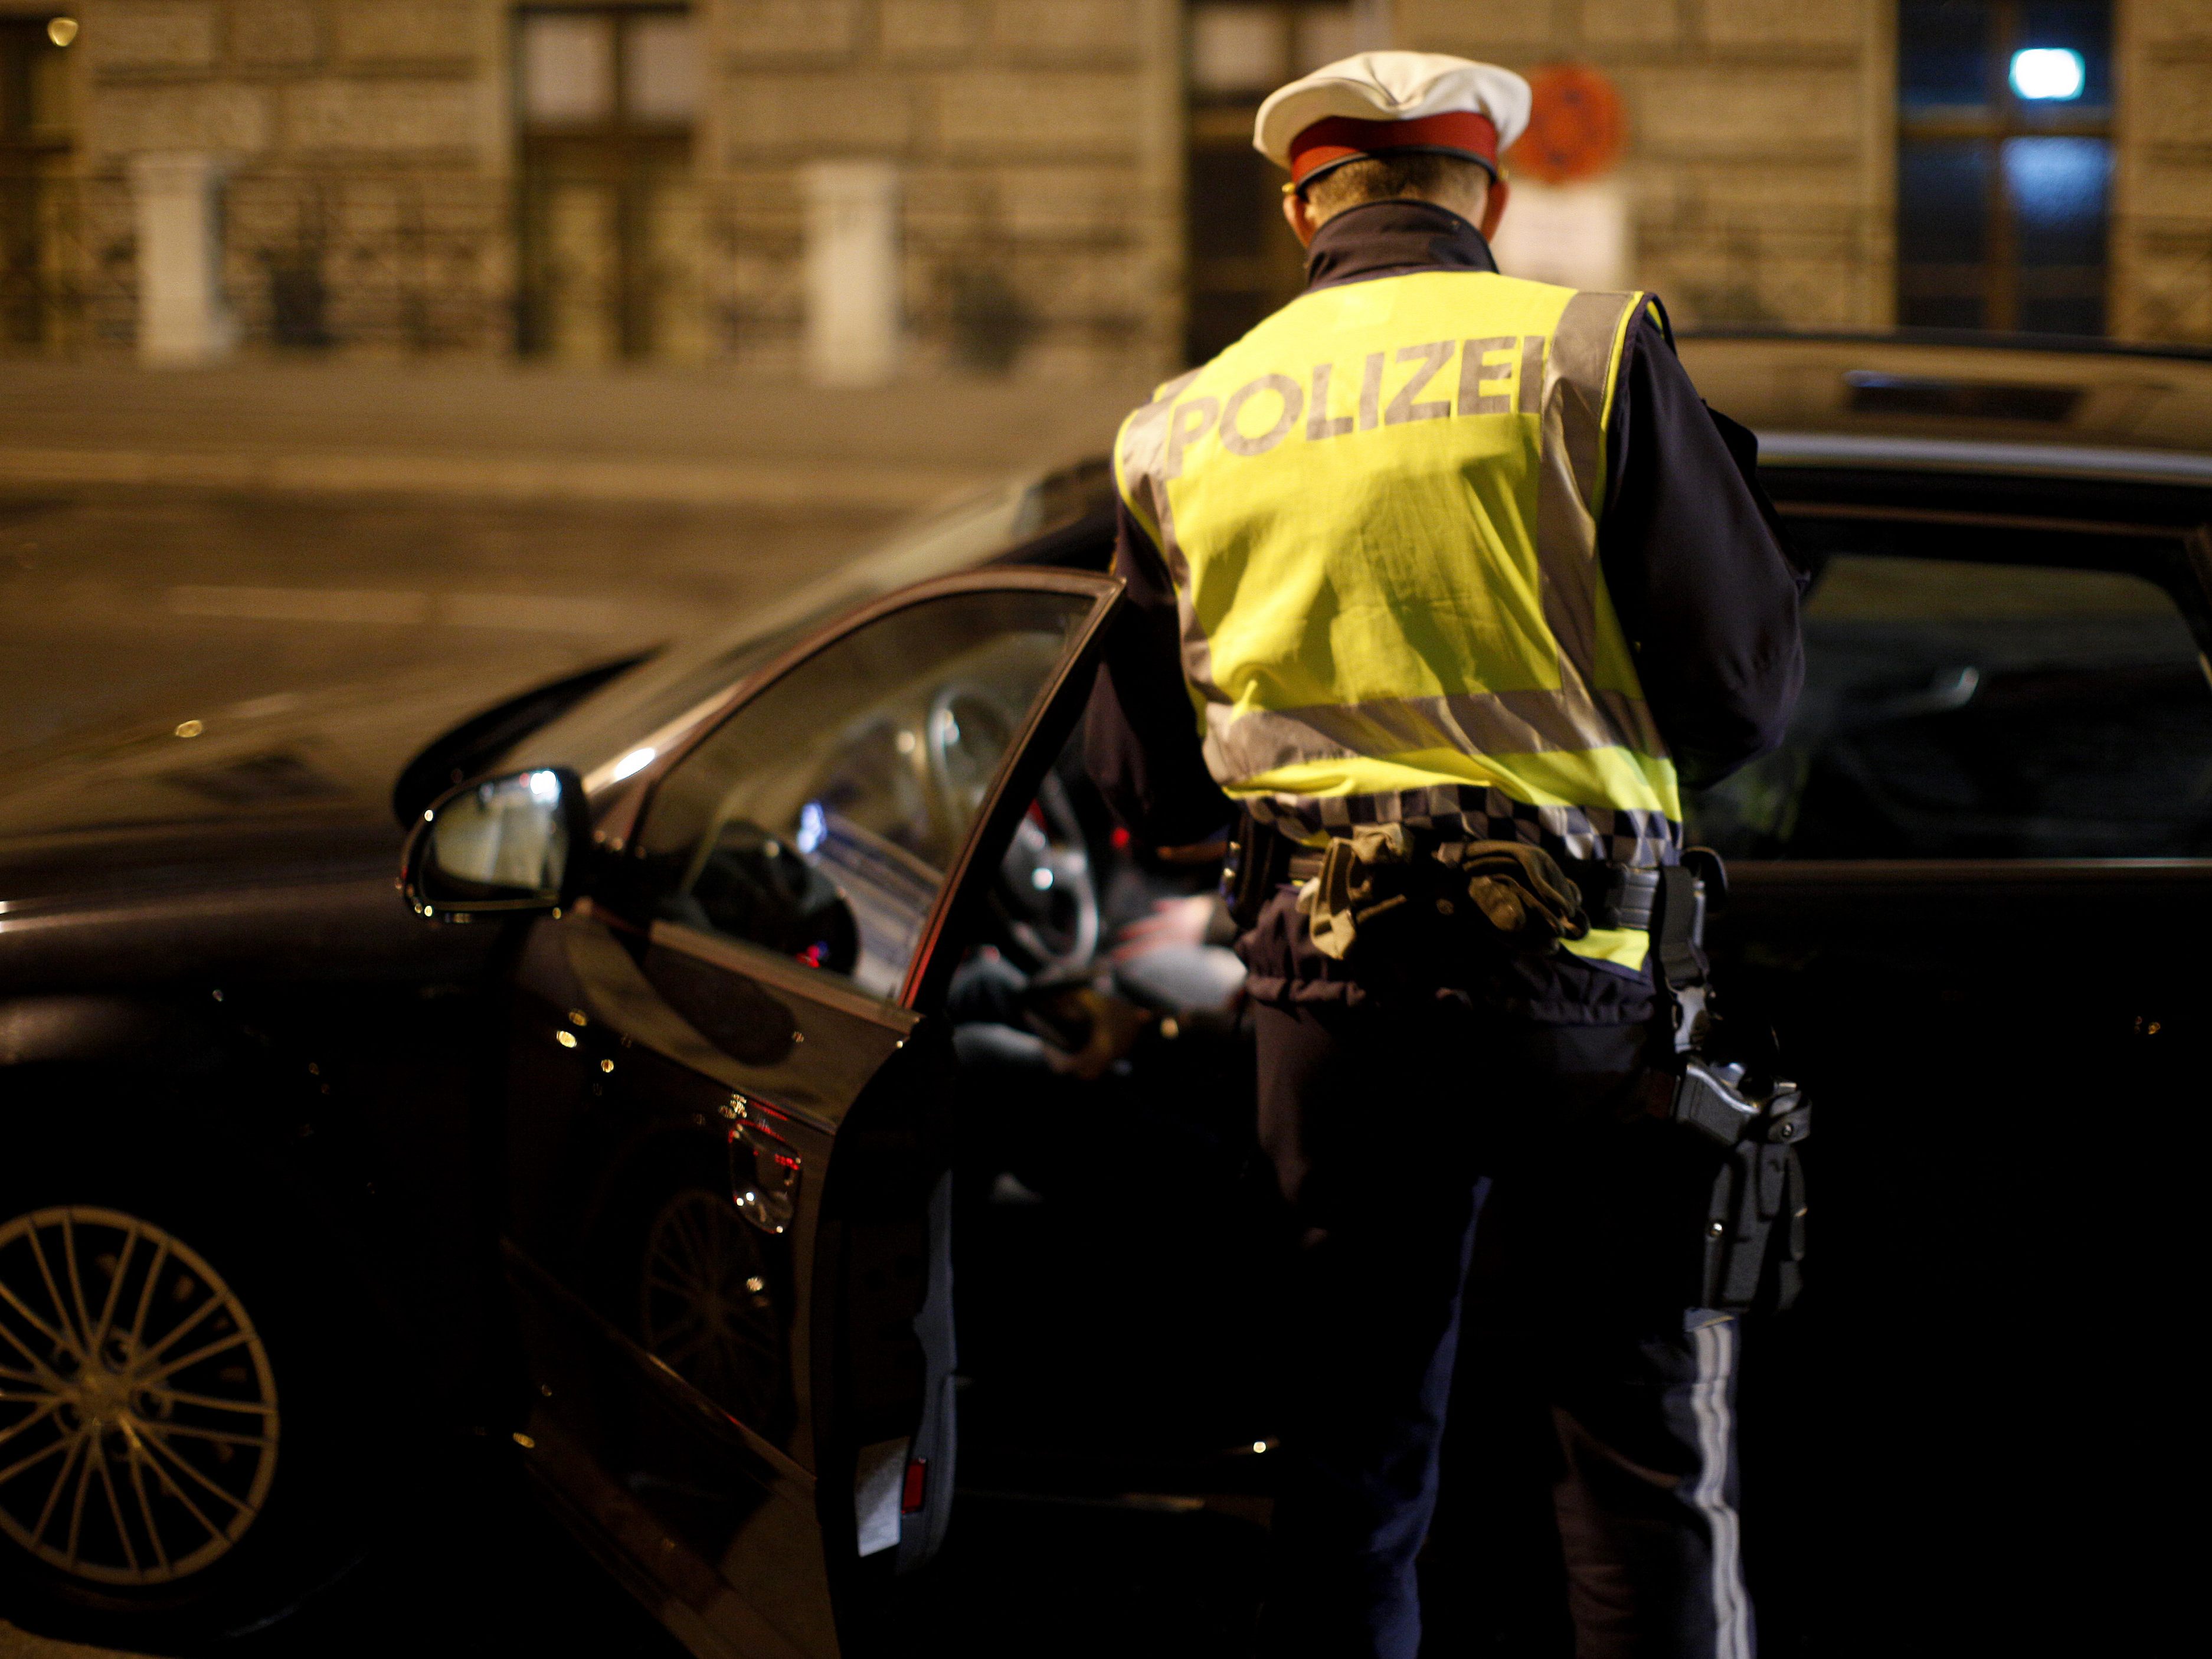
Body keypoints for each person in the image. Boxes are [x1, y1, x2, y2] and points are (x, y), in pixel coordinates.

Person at [1082, 49, 1807, 1659]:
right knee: (1635, 1458)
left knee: (1347, 1460)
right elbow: (1744, 692)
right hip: (1584, 991)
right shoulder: (1583, 350)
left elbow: (1137, 776)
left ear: (1301, 205)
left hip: (1325, 1010)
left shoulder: (1182, 421)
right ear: (1485, 194)